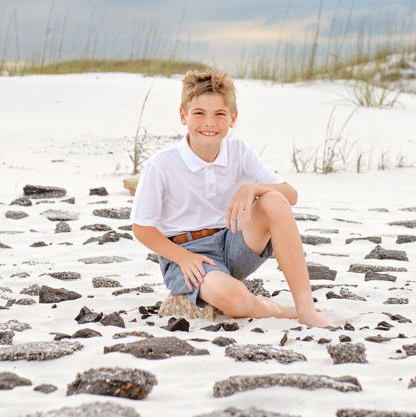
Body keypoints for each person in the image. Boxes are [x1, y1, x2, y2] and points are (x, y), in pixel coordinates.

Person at [131, 68, 332, 328]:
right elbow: (141, 227)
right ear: (183, 116)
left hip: (232, 243)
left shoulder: (239, 151)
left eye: (220, 114)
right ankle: (276, 309)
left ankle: (306, 310)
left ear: (233, 118)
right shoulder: (161, 165)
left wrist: (252, 188)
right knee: (237, 303)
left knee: (273, 200)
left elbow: (290, 195)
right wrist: (183, 257)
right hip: (188, 256)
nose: (209, 122)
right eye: (199, 113)